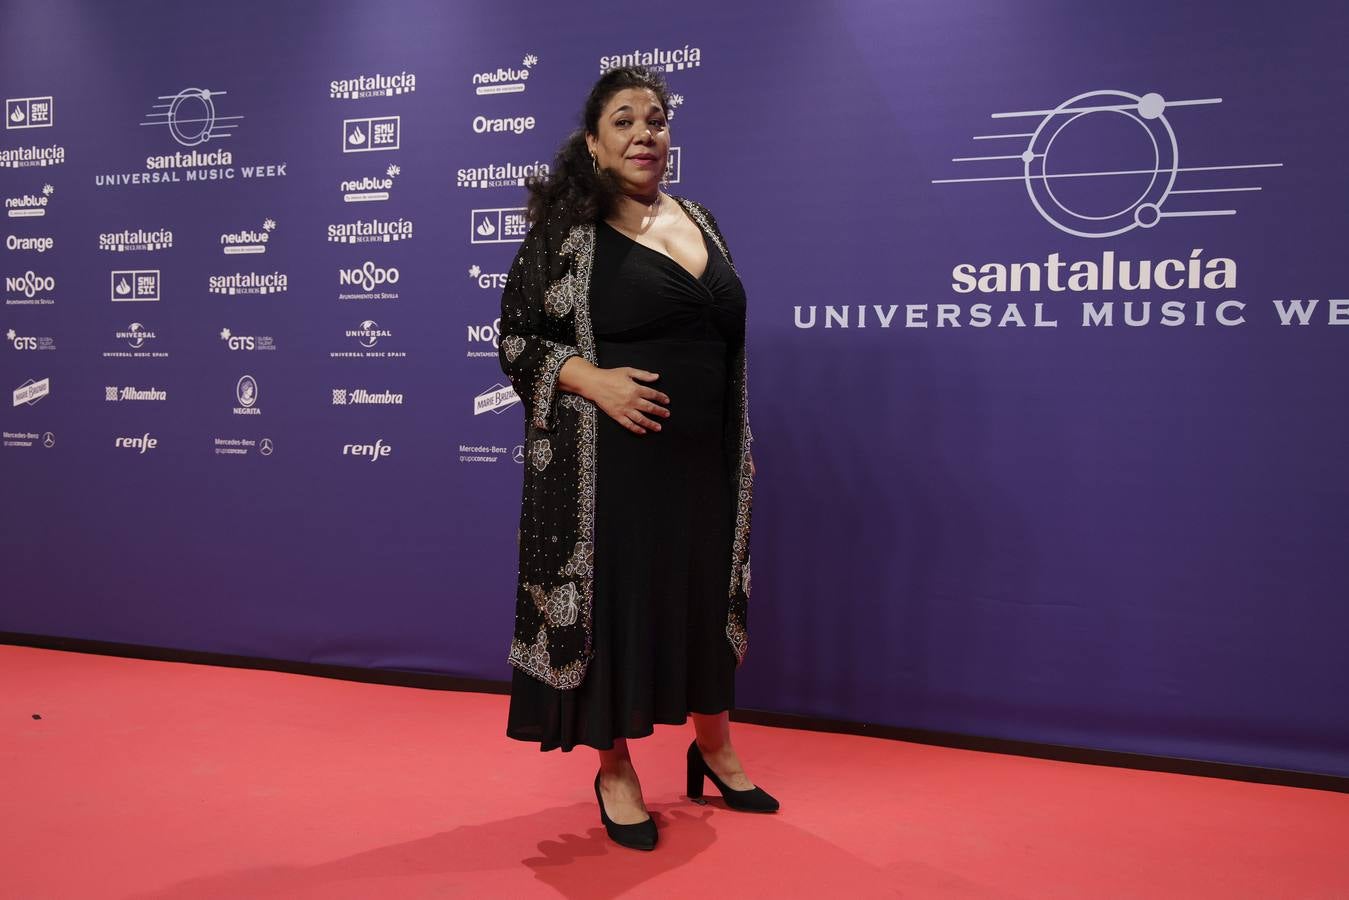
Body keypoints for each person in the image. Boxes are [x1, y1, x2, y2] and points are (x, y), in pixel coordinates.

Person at [497, 65, 778, 850]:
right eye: (623, 121)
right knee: (617, 609)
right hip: (609, 470)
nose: (643, 134)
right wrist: (592, 380)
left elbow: (725, 346)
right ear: (593, 143)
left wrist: (737, 442)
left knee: (700, 602)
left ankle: (713, 745)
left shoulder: (702, 219)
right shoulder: (566, 237)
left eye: (654, 119)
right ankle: (614, 767)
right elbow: (517, 340)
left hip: (705, 463)